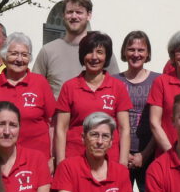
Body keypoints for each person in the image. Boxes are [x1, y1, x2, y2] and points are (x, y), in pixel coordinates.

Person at [0, 33, 56, 162]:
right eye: (14, 54)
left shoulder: (40, 83)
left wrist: (52, 158)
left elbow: (53, 124)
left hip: (37, 161)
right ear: (4, 56)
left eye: (24, 55)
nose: (19, 59)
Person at [55, 31, 131, 166]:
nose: (94, 57)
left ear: (106, 56)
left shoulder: (118, 87)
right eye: (89, 52)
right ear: (82, 55)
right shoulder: (69, 87)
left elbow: (124, 128)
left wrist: (123, 163)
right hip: (75, 157)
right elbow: (61, 128)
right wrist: (61, 163)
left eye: (100, 52)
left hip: (109, 160)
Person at [34, 0, 119, 97]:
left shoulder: (102, 52)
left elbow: (116, 88)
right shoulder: (48, 51)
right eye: (70, 12)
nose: (74, 16)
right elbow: (35, 88)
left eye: (79, 12)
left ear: (89, 15)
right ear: (63, 15)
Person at [114, 31, 160, 192]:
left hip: (150, 152)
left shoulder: (158, 80)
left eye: (141, 50)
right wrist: (123, 154)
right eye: (131, 49)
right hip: (120, 154)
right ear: (124, 52)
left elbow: (161, 122)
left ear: (148, 53)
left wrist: (145, 154)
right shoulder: (114, 81)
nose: (136, 54)